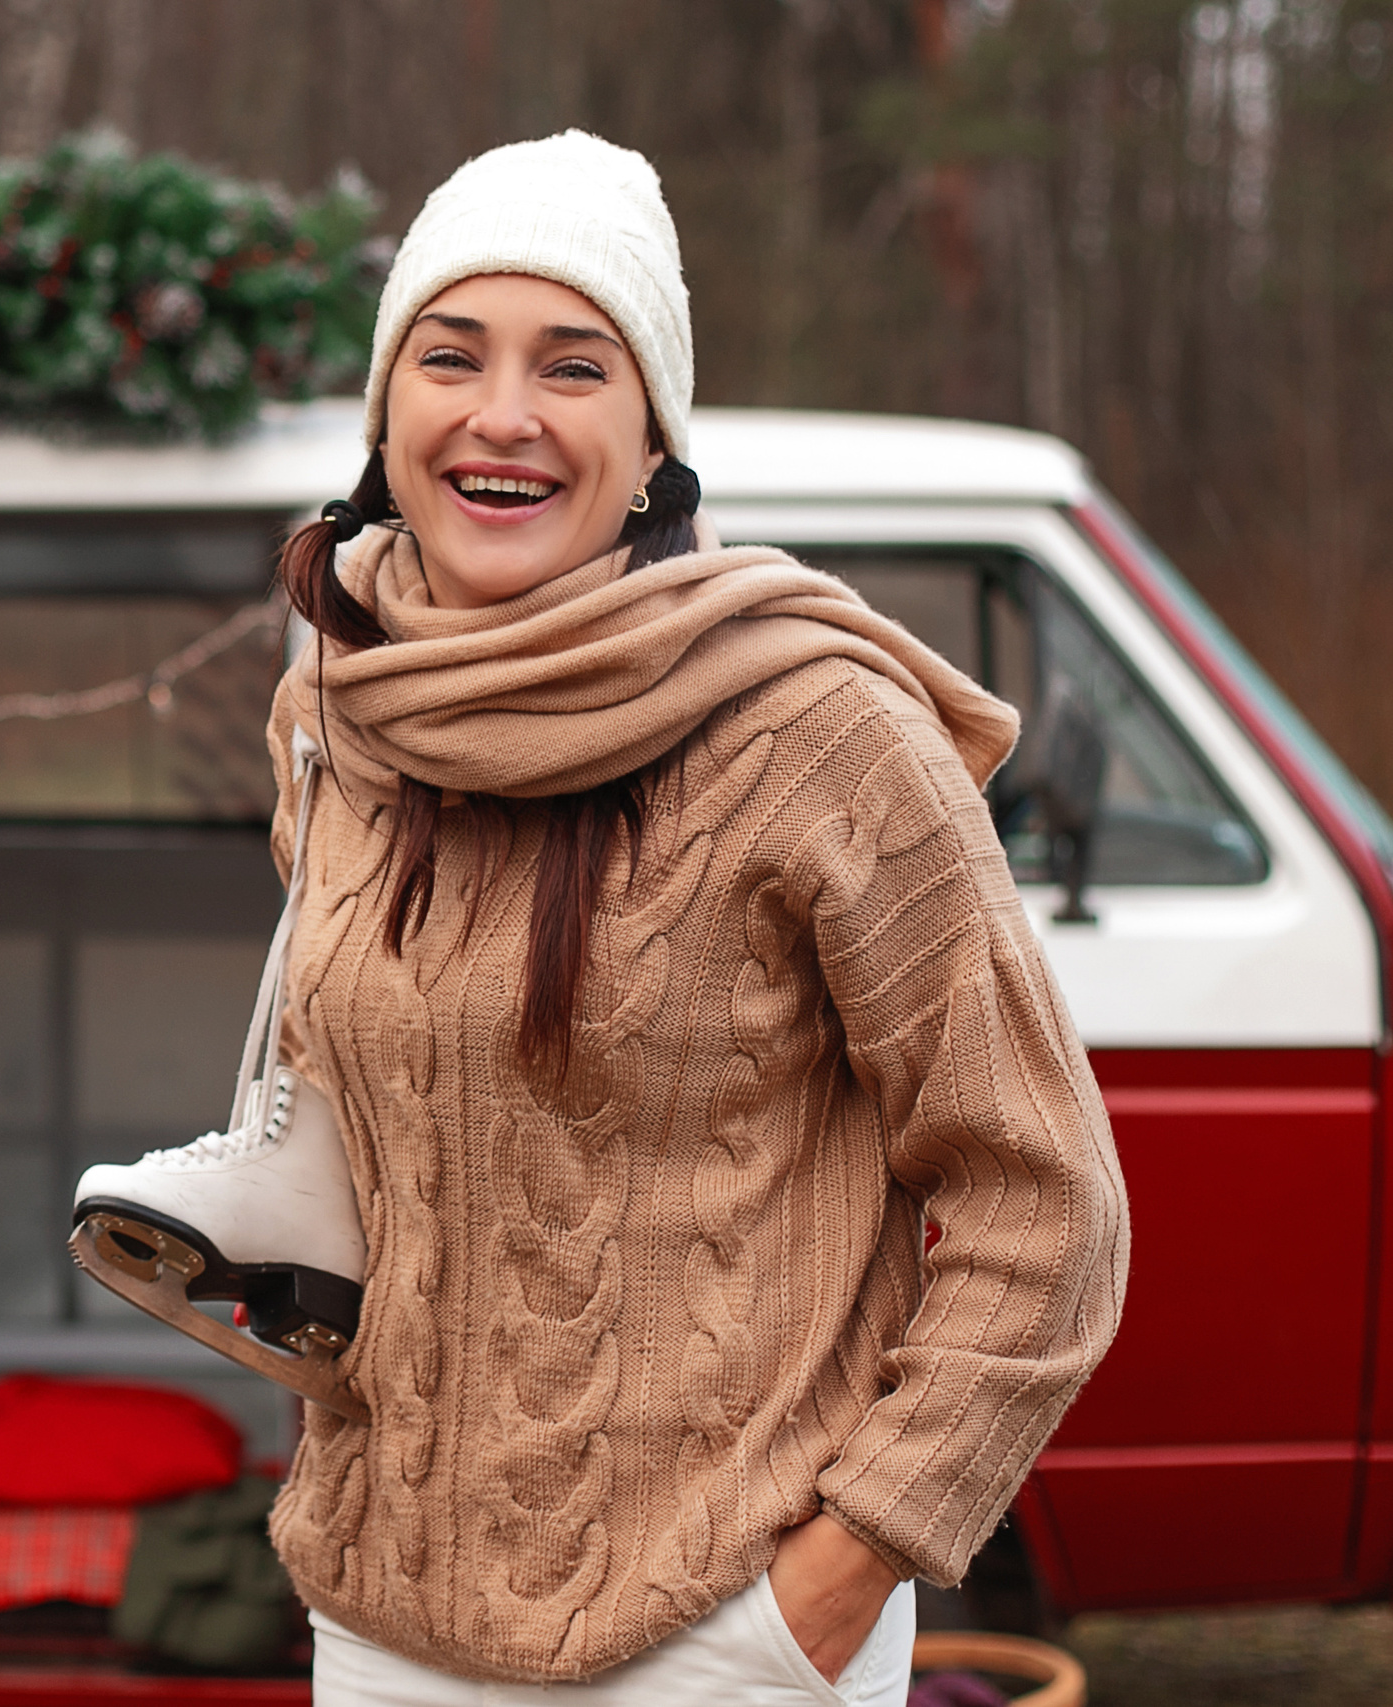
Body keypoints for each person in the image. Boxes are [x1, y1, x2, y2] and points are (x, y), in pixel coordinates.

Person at [261, 132, 1131, 1706]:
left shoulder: (822, 734)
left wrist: (848, 1561)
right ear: (390, 411)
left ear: (655, 440)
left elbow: (1049, 1203)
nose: (503, 413)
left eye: (573, 364)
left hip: (720, 1635)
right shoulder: (338, 712)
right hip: (382, 1620)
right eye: (450, 354)